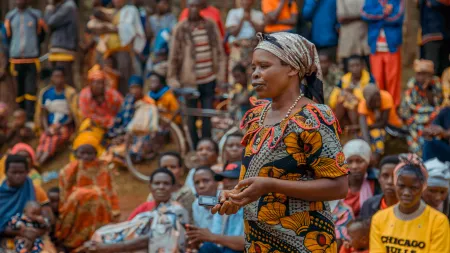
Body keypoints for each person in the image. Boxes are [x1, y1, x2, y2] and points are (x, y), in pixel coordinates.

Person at [212, 32, 348, 252]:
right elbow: (255, 179)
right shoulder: (257, 117)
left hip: (305, 242)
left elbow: (339, 187)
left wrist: (270, 185)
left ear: (293, 68)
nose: (255, 74)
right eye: (253, 67)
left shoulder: (313, 118)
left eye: (264, 66)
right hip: (259, 242)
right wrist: (235, 196)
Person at [84, 168, 189, 252]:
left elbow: (152, 238)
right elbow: (129, 228)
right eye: (157, 183)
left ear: (173, 187)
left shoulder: (176, 210)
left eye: (166, 184)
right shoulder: (149, 210)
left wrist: (108, 247)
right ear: (150, 187)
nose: (161, 187)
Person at [167, 0, 226, 147]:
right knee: (191, 115)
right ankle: (195, 148)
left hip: (209, 78)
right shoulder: (181, 28)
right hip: (189, 81)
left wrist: (220, 76)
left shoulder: (210, 25)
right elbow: (174, 56)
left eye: (196, 6)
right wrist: (173, 79)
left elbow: (219, 52)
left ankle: (206, 147)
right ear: (187, 8)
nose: (193, 9)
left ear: (200, 8)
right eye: (190, 6)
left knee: (207, 114)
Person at [370, 154, 449, 253]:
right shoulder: (379, 219)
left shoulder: (438, 222)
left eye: (413, 188)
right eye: (401, 186)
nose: (406, 193)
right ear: (395, 184)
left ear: (423, 187)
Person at [56, 134, 120, 250]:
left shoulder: (103, 168)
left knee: (97, 198)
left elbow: (109, 191)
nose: (85, 156)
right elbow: (65, 195)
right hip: (77, 207)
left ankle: (96, 240)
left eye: (89, 153)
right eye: (82, 153)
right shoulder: (68, 170)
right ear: (76, 153)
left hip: (98, 208)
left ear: (96, 154)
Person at [89, 0, 145, 95]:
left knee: (123, 78)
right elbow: (92, 25)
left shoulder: (130, 10)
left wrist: (110, 27)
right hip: (108, 52)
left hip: (123, 51)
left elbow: (128, 29)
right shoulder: (110, 11)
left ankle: (123, 100)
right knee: (107, 78)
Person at [0, 155, 54, 253]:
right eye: (14, 172)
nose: (18, 176)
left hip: (36, 235)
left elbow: (48, 217)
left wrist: (35, 232)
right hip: (7, 237)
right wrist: (22, 232)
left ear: (27, 172)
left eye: (21, 172)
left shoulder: (35, 190)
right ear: (6, 172)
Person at [4, 0, 47, 122]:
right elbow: (8, 37)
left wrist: (32, 47)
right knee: (19, 90)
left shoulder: (36, 15)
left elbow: (41, 35)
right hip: (16, 60)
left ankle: (30, 118)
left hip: (31, 59)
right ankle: (20, 117)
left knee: (30, 89)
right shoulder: (10, 16)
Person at [188, 166, 245, 253]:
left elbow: (246, 243)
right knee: (207, 247)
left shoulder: (253, 204)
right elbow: (216, 239)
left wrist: (211, 237)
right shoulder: (222, 202)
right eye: (224, 179)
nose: (227, 183)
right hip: (226, 247)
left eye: (232, 179)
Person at [106, 75, 158, 163]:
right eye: (132, 88)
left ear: (141, 88)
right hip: (127, 130)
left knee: (140, 143)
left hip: (143, 130)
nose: (134, 90)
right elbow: (122, 118)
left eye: (137, 87)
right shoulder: (128, 101)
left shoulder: (148, 101)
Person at [362, 0, 404, 107]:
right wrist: (384, 12)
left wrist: (376, 17)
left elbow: (397, 17)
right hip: (375, 47)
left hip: (392, 46)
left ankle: (393, 109)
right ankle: (380, 108)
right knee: (377, 79)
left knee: (393, 80)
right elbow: (364, 14)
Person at [399, 59, 444, 156]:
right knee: (417, 130)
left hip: (433, 118)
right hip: (416, 120)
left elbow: (439, 105)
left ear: (430, 75)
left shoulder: (436, 83)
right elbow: (407, 110)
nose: (420, 77)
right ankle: (419, 154)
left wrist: (427, 91)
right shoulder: (412, 86)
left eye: (424, 74)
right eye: (418, 74)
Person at [35, 67, 78, 165]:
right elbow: (43, 113)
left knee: (53, 139)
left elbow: (73, 116)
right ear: (52, 78)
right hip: (50, 126)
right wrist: (46, 128)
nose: (58, 79)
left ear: (64, 78)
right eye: (55, 77)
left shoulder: (70, 93)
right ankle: (35, 160)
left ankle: (40, 163)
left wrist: (60, 126)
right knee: (44, 138)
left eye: (60, 76)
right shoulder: (46, 93)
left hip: (65, 126)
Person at [329, 56, 376, 128]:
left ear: (362, 66)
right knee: (343, 100)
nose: (355, 68)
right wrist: (345, 94)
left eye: (357, 65)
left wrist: (353, 94)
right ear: (348, 68)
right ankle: (337, 127)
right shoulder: (345, 78)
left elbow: (372, 97)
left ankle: (354, 127)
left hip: (364, 108)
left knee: (350, 101)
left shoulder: (369, 78)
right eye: (352, 66)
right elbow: (332, 100)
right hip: (345, 110)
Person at [358, 85, 403, 161]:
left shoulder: (386, 97)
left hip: (391, 127)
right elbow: (363, 127)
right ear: (368, 101)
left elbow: (383, 123)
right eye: (374, 101)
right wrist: (368, 146)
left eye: (378, 99)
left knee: (377, 134)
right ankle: (369, 157)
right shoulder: (363, 104)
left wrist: (369, 126)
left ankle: (375, 159)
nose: (378, 102)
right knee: (362, 136)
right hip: (374, 127)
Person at [145, 152, 195, 218]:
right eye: (164, 167)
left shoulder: (186, 193)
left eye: (173, 167)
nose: (168, 170)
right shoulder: (153, 194)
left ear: (181, 170)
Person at [226, 0, 264, 83]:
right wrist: (242, 20)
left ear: (252, 2)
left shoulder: (258, 14)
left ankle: (252, 95)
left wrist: (250, 20)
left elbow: (261, 32)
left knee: (252, 76)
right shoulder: (233, 13)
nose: (245, 2)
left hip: (252, 51)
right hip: (237, 50)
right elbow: (233, 33)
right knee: (235, 76)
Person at [44, 0, 78, 87]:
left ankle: (71, 100)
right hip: (57, 50)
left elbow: (51, 22)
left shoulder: (68, 6)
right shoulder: (61, 6)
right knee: (56, 84)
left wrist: (49, 8)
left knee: (65, 83)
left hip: (64, 51)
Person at [343, 139, 380, 217]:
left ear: (367, 162)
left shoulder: (376, 181)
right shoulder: (337, 183)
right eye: (350, 162)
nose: (354, 166)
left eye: (359, 161)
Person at [79, 66, 124, 131]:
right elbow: (86, 116)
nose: (98, 86)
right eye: (95, 82)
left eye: (100, 82)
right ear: (90, 84)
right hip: (93, 127)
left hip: (112, 127)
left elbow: (123, 105)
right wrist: (106, 120)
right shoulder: (84, 95)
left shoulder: (113, 94)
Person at [360, 155, 400, 219]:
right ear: (379, 178)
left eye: (395, 176)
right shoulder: (368, 205)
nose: (390, 181)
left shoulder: (410, 208)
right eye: (385, 176)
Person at [337, 0, 370, 72]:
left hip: (365, 37)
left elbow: (373, 13)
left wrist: (364, 16)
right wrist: (363, 16)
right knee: (348, 71)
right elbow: (342, 18)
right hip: (349, 39)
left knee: (369, 71)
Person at [419, 0, 450, 76]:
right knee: (431, 68)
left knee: (444, 69)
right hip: (431, 35)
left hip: (444, 35)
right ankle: (432, 87)